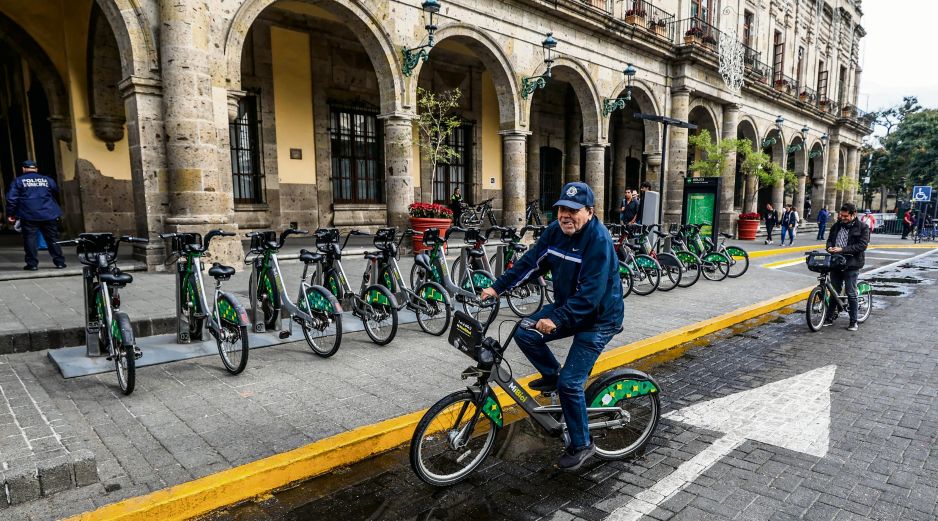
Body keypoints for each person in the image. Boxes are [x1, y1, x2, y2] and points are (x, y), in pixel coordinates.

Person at [480, 182, 623, 471]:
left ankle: (583, 444)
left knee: (571, 383)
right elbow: (530, 263)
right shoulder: (555, 233)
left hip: (598, 318)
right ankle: (550, 374)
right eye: (561, 209)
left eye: (573, 210)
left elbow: (591, 295)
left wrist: (556, 319)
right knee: (524, 331)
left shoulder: (598, 240)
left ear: (590, 212)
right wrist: (496, 289)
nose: (565, 215)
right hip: (568, 306)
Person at [5, 160, 66, 271]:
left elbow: (11, 199)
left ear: (23, 169)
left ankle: (32, 264)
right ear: (36, 169)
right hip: (48, 213)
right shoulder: (47, 179)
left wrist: (11, 214)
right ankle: (60, 262)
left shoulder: (18, 181)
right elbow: (56, 191)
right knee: (53, 238)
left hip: (28, 215)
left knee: (30, 239)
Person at [824, 203, 869, 331]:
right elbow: (830, 239)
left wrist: (842, 249)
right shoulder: (837, 225)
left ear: (853, 214)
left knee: (851, 292)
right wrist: (829, 247)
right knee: (834, 291)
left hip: (852, 264)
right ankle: (829, 317)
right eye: (841, 215)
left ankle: (853, 321)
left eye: (845, 216)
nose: (842, 218)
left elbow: (862, 246)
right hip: (836, 262)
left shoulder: (863, 227)